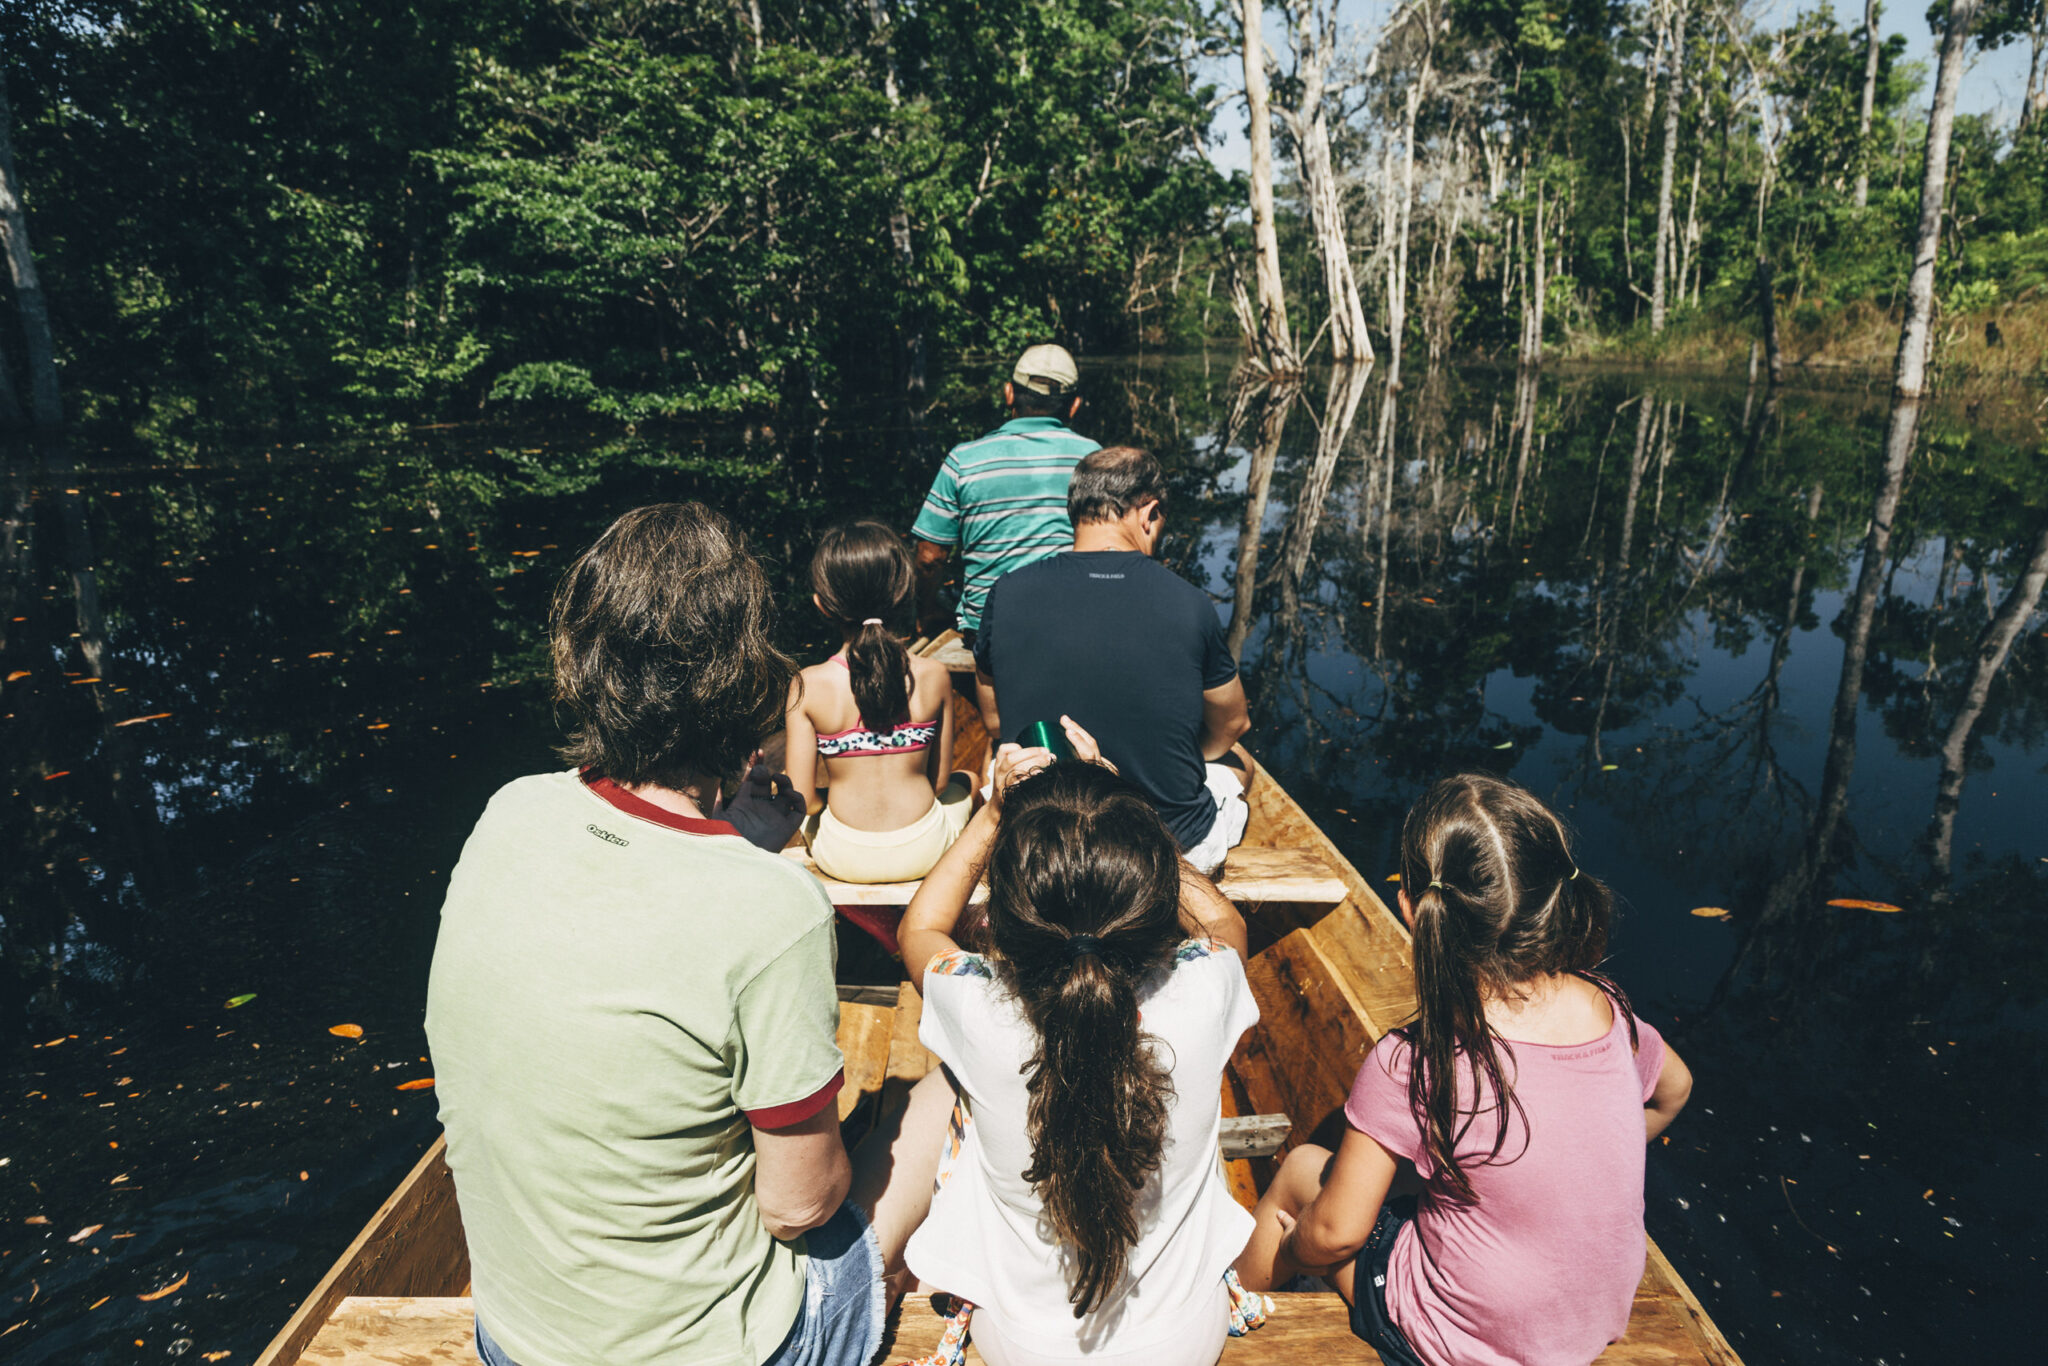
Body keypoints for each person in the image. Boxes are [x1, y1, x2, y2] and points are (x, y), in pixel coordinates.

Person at [425, 503, 949, 1366]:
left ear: (581, 661)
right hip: (726, 1350)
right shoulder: (772, 908)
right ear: (745, 684)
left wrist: (734, 837)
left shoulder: (506, 812)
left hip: (512, 1342)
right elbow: (799, 1208)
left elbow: (635, 885)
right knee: (939, 1092)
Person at [1232, 773, 1695, 1366]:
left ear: (1411, 909)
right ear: (1552, 898)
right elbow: (1671, 1094)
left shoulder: (1415, 1059)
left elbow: (1339, 1233)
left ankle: (1230, 1308)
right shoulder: (1609, 1008)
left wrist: (1295, 1248)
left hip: (1469, 1344)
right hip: (1595, 1320)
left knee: (1300, 1173)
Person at [897, 721, 1258, 1366]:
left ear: (1002, 919)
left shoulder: (978, 1007)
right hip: (1182, 1345)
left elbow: (921, 926)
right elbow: (1224, 922)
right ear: (1149, 892)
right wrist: (1130, 817)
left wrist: (991, 816)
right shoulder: (1207, 988)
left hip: (1019, 1346)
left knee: (951, 1091)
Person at [972, 446, 1252, 875]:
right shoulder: (1190, 602)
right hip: (1165, 852)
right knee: (1240, 762)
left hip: (1043, 851)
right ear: (1148, 512)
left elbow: (994, 723)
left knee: (996, 759)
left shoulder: (1006, 592)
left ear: (1076, 510)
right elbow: (1233, 723)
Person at [784, 519, 971, 883]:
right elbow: (938, 783)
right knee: (969, 778)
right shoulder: (933, 675)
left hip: (842, 856)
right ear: (902, 595)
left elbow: (803, 800)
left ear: (822, 605)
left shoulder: (808, 684)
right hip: (924, 850)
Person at [912, 343, 1099, 646]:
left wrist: (926, 612)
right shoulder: (1095, 460)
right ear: (1074, 405)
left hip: (989, 629)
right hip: (1072, 625)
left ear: (1009, 393)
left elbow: (929, 558)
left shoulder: (963, 459)